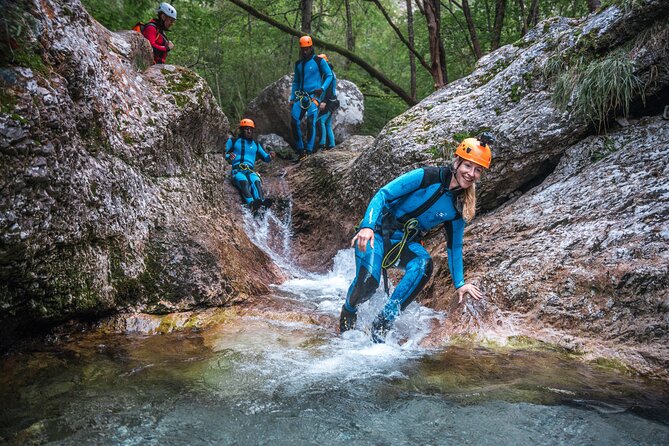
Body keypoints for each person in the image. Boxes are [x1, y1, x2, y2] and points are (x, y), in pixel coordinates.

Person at [339, 133, 495, 343]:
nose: (471, 174)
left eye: (478, 170)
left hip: (405, 243)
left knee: (423, 265)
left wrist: (460, 284)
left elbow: (454, 246)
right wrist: (367, 226)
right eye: (468, 166)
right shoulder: (427, 176)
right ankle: (349, 310)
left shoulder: (459, 206)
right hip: (376, 232)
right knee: (368, 283)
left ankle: (383, 323)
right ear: (457, 162)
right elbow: (383, 194)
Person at [289, 36, 333, 161]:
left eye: (307, 49)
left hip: (314, 97)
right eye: (302, 49)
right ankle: (300, 151)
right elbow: (296, 82)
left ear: (311, 47)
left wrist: (322, 88)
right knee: (294, 122)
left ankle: (308, 151)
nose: (304, 51)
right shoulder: (298, 64)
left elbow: (329, 75)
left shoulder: (319, 61)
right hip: (301, 97)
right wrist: (292, 98)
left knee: (310, 122)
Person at [225, 118, 276, 212]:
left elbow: (266, 158)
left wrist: (270, 156)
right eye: (246, 129)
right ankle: (251, 203)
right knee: (244, 182)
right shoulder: (233, 141)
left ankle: (261, 203)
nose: (249, 131)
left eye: (250, 129)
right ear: (242, 130)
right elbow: (223, 152)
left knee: (256, 181)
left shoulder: (256, 144)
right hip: (237, 170)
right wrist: (229, 156)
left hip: (250, 170)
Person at [316, 54, 338, 150]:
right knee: (327, 124)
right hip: (332, 101)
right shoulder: (329, 72)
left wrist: (324, 101)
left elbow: (328, 88)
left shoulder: (328, 73)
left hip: (329, 102)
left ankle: (322, 145)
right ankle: (332, 145)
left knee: (320, 121)